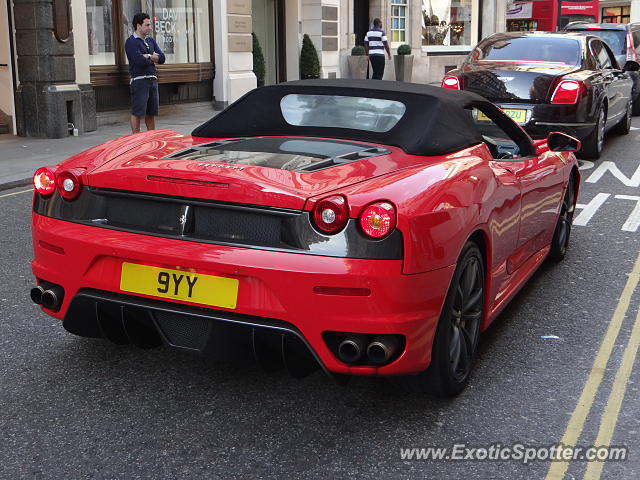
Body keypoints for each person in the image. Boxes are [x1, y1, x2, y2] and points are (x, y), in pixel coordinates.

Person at [125, 13, 165, 133]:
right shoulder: (131, 42)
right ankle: (136, 138)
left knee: (151, 112)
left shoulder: (150, 40)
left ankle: (151, 137)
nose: (150, 27)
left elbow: (162, 58)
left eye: (150, 25)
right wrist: (151, 56)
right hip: (139, 80)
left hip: (152, 80)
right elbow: (139, 60)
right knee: (137, 112)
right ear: (138, 26)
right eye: (147, 25)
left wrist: (147, 56)